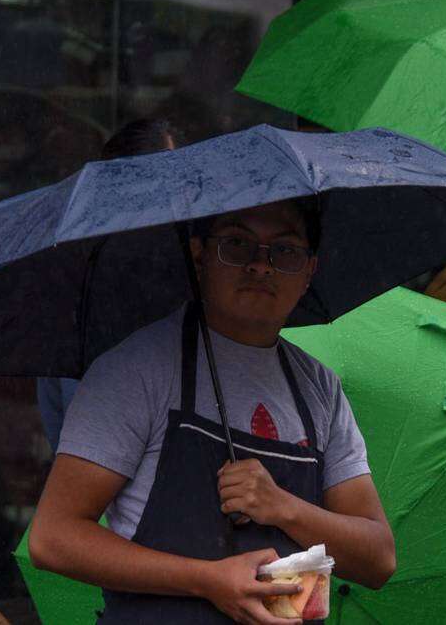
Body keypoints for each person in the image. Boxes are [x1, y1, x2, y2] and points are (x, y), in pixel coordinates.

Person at [28, 196, 396, 623]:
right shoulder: (135, 369)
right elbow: (53, 538)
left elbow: (378, 558)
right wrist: (207, 579)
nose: (261, 266)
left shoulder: (320, 390)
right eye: (237, 244)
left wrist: (283, 506)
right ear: (199, 254)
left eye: (285, 250)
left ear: (310, 269)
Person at [36, 118, 181, 453]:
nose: (170, 207)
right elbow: (69, 436)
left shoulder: (193, 295)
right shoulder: (79, 306)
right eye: (157, 189)